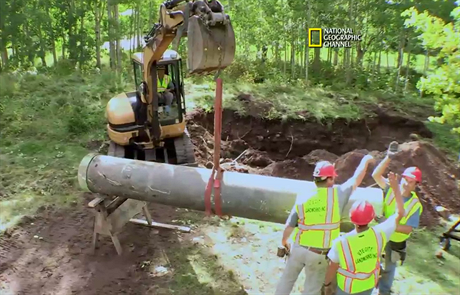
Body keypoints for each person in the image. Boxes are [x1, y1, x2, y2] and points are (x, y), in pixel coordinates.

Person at [274, 155, 375, 295]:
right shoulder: (337, 195)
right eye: (333, 178)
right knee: (311, 289)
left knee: (286, 281)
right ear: (329, 179)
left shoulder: (304, 196)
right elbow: (356, 178)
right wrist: (366, 161)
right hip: (318, 255)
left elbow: (290, 225)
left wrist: (284, 242)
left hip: (298, 248)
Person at [323, 172, 405, 295]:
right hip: (368, 285)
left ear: (351, 218)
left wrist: (327, 285)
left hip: (347, 288)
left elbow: (332, 267)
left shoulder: (341, 242)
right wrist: (396, 189)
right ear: (372, 218)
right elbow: (400, 213)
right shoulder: (380, 234)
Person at [371, 142, 423, 295]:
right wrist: (388, 157)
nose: (407, 183)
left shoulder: (415, 205)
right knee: (372, 262)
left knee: (389, 268)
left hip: (396, 241)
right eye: (405, 179)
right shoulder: (392, 189)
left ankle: (384, 291)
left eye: (411, 181)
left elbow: (408, 228)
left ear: (416, 184)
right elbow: (375, 175)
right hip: (382, 235)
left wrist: (386, 224)